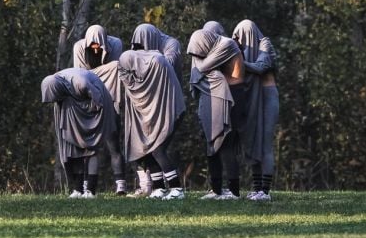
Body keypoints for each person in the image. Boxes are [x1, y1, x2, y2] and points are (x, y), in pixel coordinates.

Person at [126, 23, 186, 196]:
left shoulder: (170, 45)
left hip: (169, 105)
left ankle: (176, 188)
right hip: (149, 106)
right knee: (148, 148)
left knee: (158, 148)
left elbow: (165, 66)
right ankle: (159, 188)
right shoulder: (141, 50)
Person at [187, 28, 246, 200]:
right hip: (216, 94)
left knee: (225, 143)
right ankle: (216, 188)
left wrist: (201, 67)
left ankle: (234, 191)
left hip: (233, 95)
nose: (197, 57)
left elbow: (202, 68)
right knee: (211, 144)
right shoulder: (216, 49)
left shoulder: (226, 44)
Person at [41, 68, 118, 199]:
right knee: (75, 148)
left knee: (90, 148)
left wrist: (87, 120)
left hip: (94, 109)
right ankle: (78, 189)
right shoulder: (59, 85)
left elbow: (98, 100)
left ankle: (91, 190)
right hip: (74, 107)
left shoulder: (80, 83)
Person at [72, 25, 126, 195]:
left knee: (114, 144)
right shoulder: (79, 47)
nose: (96, 50)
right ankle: (88, 187)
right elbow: (80, 76)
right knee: (90, 148)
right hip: (89, 95)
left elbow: (114, 72)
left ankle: (121, 184)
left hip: (110, 95)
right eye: (92, 46)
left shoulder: (115, 44)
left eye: (98, 46)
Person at [232, 19, 279, 201]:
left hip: (267, 96)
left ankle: (265, 191)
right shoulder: (241, 49)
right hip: (252, 97)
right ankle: (257, 187)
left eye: (240, 35)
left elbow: (261, 67)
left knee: (265, 143)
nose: (238, 39)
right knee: (251, 140)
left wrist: (240, 63)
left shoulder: (264, 43)